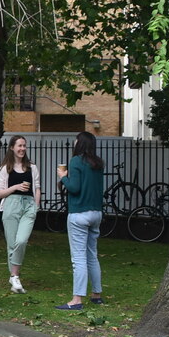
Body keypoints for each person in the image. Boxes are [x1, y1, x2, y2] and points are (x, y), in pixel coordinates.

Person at [56, 131, 106, 310]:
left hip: (79, 214)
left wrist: (63, 178)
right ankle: (97, 295)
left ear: (80, 144)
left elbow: (74, 188)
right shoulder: (98, 163)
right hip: (96, 213)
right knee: (92, 254)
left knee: (78, 258)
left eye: (76, 140)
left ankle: (76, 299)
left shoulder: (76, 160)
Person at [0, 135, 40, 294]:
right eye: (19, 146)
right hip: (11, 205)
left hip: (28, 206)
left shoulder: (32, 167)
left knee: (21, 241)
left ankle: (14, 275)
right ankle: (14, 276)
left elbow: (37, 188)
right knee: (12, 244)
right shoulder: (5, 168)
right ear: (12, 148)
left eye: (24, 146)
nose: (22, 149)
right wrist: (15, 187)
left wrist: (36, 206)